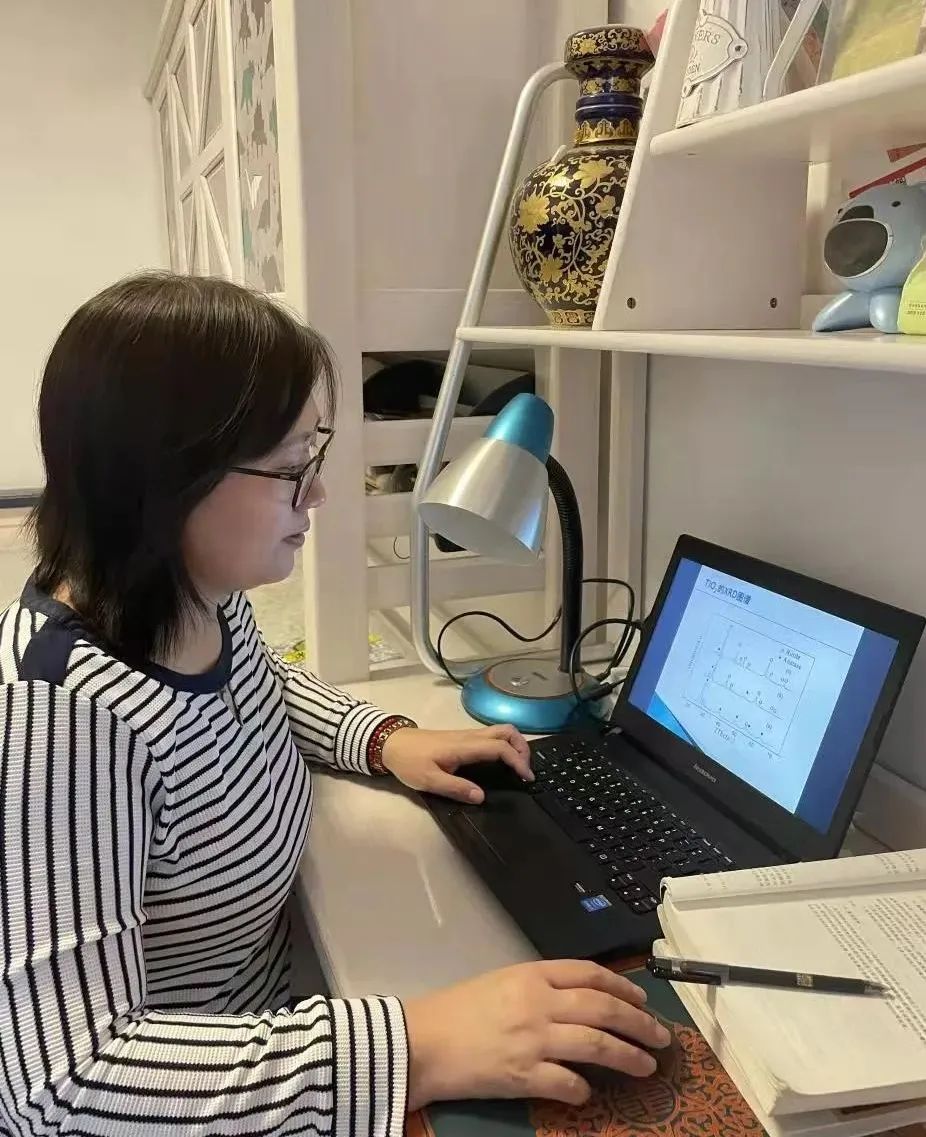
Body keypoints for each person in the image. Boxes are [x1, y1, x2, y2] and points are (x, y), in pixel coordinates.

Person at [0, 273, 671, 1137]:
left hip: (268, 1017)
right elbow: (62, 1085)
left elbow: (262, 685)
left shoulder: (193, 596)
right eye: (291, 469)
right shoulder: (57, 724)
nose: (316, 495)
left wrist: (382, 737)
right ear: (165, 479)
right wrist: (416, 1045)